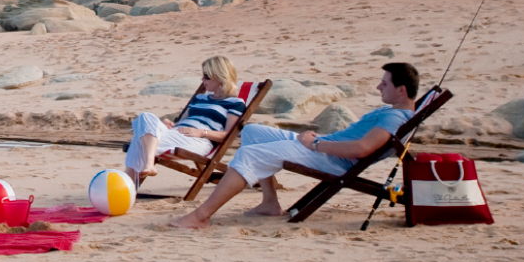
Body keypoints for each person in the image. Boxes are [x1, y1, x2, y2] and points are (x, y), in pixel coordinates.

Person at [171, 62, 421, 229]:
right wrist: (317, 141)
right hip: (325, 146)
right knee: (253, 132)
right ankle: (270, 203)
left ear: (401, 90)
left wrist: (316, 144)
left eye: (385, 83)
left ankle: (201, 216)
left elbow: (361, 150)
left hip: (331, 159)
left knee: (249, 154)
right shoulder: (393, 111)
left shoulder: (395, 117)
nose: (379, 86)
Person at [124, 56, 246, 187]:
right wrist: (171, 125)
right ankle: (144, 170)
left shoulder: (235, 103)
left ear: (221, 77)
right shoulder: (199, 98)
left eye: (206, 76)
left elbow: (229, 135)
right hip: (178, 133)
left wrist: (202, 132)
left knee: (140, 139)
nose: (202, 79)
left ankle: (127, 186)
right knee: (145, 117)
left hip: (199, 140)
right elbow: (183, 122)